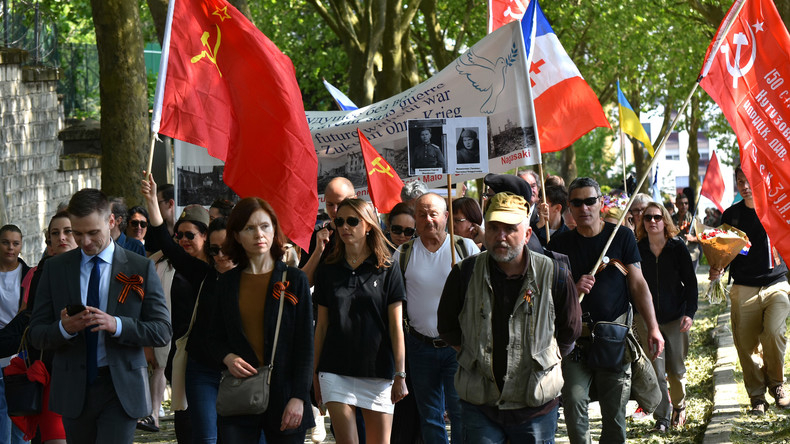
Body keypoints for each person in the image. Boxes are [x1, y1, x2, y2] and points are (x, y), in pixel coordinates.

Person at [28, 188, 172, 443]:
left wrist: (117, 325)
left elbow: (162, 330)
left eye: (93, 232)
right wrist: (64, 328)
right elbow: (36, 334)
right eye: (77, 233)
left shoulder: (139, 267)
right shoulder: (55, 269)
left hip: (121, 387)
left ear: (111, 221)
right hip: (74, 388)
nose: (85, 242)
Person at [438, 192, 581, 442]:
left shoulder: (555, 272)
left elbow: (569, 331)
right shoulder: (464, 272)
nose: (501, 236)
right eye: (494, 227)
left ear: (527, 234)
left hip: (536, 406)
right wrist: (475, 354)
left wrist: (544, 360)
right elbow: (448, 327)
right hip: (480, 404)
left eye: (510, 228)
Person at [547, 177, 664, 444]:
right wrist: (572, 288)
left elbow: (638, 284)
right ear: (569, 206)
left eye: (590, 201)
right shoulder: (558, 245)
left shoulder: (621, 236)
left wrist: (654, 328)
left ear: (600, 203)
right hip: (575, 342)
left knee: (615, 416)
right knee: (574, 402)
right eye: (577, 203)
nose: (584, 207)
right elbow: (549, 295)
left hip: (614, 340)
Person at [207, 197, 314, 442]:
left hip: (286, 394)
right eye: (249, 228)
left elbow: (305, 345)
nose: (259, 234)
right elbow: (212, 338)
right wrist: (227, 357)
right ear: (236, 236)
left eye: (265, 226)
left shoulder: (295, 280)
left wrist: (299, 396)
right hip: (240, 393)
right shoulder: (227, 283)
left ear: (274, 229)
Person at [313, 198, 408, 443]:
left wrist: (400, 374)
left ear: (368, 226)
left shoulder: (387, 267)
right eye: (339, 221)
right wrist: (313, 374)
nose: (345, 227)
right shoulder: (327, 269)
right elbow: (321, 326)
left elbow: (396, 326)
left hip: (378, 371)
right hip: (335, 370)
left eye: (352, 221)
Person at [392, 193, 479, 444]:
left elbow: (482, 293)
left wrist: (462, 278)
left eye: (434, 214)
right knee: (429, 416)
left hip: (458, 347)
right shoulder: (404, 253)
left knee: (460, 411)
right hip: (419, 346)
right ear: (415, 218)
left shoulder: (465, 249)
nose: (428, 219)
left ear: (446, 217)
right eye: (422, 214)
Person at [710, 167, 790, 415]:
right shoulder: (731, 215)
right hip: (744, 287)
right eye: (740, 182)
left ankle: (777, 385)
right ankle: (757, 397)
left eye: (749, 181)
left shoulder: (777, 209)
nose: (745, 186)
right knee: (746, 346)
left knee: (774, 333)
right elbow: (724, 252)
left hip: (776, 284)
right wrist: (717, 268)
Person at [142, 176, 215, 440]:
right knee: (185, 422)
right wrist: (152, 201)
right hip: (181, 352)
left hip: (212, 355)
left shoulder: (213, 270)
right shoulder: (181, 265)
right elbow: (165, 241)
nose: (183, 240)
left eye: (190, 235)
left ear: (205, 236)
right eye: (179, 235)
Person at [0, 212, 79, 443]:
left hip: (89, 373)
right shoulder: (41, 273)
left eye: (68, 231)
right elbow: (30, 320)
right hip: (46, 367)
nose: (61, 238)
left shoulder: (95, 269)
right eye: (55, 233)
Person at [635, 202, 698, 432]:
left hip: (675, 317)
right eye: (648, 217)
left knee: (676, 370)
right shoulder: (637, 249)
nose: (652, 221)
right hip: (647, 319)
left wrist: (689, 313)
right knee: (657, 371)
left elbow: (690, 283)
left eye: (657, 217)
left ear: (665, 220)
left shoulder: (677, 247)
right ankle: (661, 418)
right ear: (643, 222)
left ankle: (679, 406)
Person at [0, 224, 30, 444]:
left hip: (18, 347)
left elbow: (26, 312)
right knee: (1, 406)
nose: (10, 248)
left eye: (15, 243)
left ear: (21, 246)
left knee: (20, 407)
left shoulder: (28, 274)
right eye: (5, 242)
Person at [300, 177, 356, 285]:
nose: (335, 210)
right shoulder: (315, 234)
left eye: (340, 204)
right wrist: (318, 251)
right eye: (330, 204)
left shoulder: (367, 233)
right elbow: (304, 282)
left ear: (354, 200)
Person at [672, 193, 701, 270]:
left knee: (690, 277)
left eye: (686, 203)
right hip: (676, 255)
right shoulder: (671, 219)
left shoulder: (695, 219)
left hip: (691, 255)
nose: (684, 205)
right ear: (676, 205)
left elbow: (703, 238)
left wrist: (693, 238)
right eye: (681, 203)